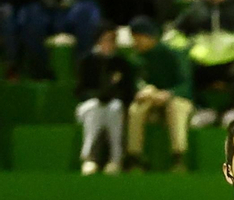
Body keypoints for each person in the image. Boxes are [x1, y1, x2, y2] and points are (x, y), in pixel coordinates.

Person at [127, 14, 195, 171]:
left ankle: (179, 157)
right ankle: (134, 157)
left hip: (177, 98)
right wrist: (143, 91)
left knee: (175, 107)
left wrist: (169, 94)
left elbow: (186, 85)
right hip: (152, 100)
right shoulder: (136, 58)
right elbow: (136, 83)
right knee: (136, 109)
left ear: (149, 37)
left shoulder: (174, 54)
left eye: (138, 37)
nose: (136, 42)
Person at [74, 23, 133, 174]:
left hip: (113, 105)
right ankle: (89, 158)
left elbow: (127, 90)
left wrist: (111, 96)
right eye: (105, 40)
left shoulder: (121, 63)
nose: (109, 44)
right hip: (88, 106)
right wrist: (97, 96)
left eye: (112, 40)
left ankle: (115, 159)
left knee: (114, 108)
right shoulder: (86, 61)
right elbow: (80, 90)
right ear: (98, 41)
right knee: (95, 108)